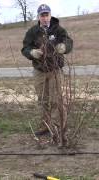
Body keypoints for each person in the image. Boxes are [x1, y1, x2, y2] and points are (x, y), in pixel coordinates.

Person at [21, 4, 73, 137]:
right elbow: (25, 48)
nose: (45, 18)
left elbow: (69, 42)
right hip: (39, 71)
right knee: (43, 100)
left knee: (57, 99)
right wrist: (31, 52)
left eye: (46, 15)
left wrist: (64, 47)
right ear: (38, 17)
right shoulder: (33, 32)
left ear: (50, 15)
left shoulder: (58, 30)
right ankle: (45, 126)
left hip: (55, 71)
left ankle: (57, 127)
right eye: (42, 15)